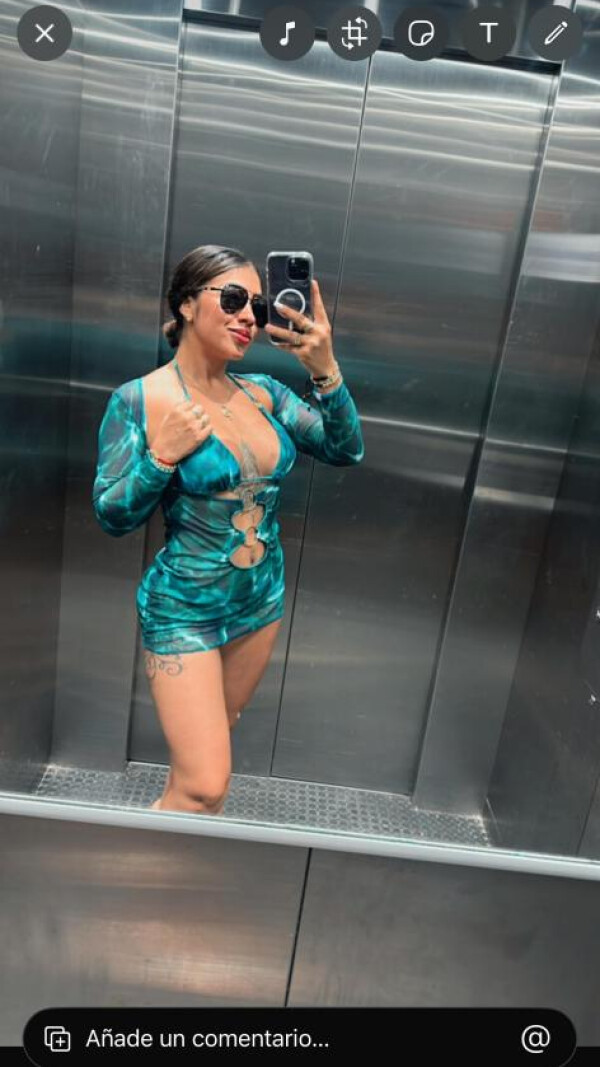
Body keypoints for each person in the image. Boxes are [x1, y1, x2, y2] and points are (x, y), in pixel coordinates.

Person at [92, 244, 364, 815]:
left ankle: (166, 863)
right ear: (187, 304)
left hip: (259, 602)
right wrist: (162, 457)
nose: (249, 318)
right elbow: (112, 516)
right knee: (206, 785)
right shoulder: (139, 401)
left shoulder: (263, 393)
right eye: (234, 299)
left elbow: (345, 449)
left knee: (200, 771)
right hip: (183, 609)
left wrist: (325, 369)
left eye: (257, 307)